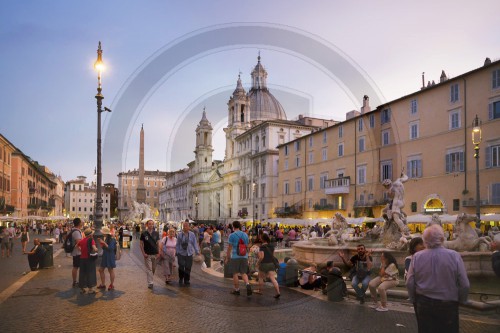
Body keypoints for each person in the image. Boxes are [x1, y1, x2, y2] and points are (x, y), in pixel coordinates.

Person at [406, 224, 470, 333]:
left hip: (424, 302)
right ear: (442, 239)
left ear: (425, 241)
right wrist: (462, 300)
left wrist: (413, 299)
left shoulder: (417, 257)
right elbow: (464, 284)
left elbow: (409, 282)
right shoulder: (454, 256)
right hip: (448, 304)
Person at [226, 220, 252, 296]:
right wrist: (247, 257)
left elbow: (229, 248)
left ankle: (237, 290)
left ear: (233, 227)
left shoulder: (232, 235)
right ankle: (247, 284)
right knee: (243, 273)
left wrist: (228, 257)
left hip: (235, 256)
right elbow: (247, 247)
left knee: (235, 273)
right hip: (244, 256)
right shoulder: (245, 235)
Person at [254, 233, 280, 298]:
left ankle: (260, 291)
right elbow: (273, 256)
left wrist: (257, 263)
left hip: (263, 264)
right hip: (271, 264)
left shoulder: (261, 247)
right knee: (273, 279)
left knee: (260, 278)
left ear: (262, 239)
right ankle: (278, 292)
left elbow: (261, 257)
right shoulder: (272, 246)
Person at [176, 220, 200, 286]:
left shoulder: (192, 234)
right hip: (181, 253)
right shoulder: (180, 234)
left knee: (188, 267)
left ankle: (186, 280)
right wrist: (177, 252)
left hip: (189, 253)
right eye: (184, 226)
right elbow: (177, 244)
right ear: (183, 227)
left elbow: (194, 243)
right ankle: (181, 278)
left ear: (189, 227)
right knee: (181, 267)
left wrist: (197, 251)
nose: (185, 227)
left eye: (186, 226)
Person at [140, 219, 160, 289]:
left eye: (152, 224)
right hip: (147, 254)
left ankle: (150, 278)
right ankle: (150, 282)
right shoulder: (143, 234)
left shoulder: (156, 233)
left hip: (155, 254)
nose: (151, 225)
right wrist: (143, 253)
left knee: (153, 268)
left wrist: (158, 252)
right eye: (149, 224)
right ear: (147, 225)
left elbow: (158, 243)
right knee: (149, 269)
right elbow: (141, 244)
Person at [77, 228, 98, 294]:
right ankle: (90, 289)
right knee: (90, 273)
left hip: (82, 259)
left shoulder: (82, 240)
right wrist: (97, 249)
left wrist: (81, 250)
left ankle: (82, 288)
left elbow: (76, 246)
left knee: (82, 273)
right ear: (90, 234)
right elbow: (95, 249)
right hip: (89, 259)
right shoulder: (91, 240)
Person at [69, 218, 83, 287]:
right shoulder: (76, 232)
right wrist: (82, 250)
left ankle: (75, 281)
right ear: (79, 223)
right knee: (76, 267)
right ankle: (75, 281)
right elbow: (79, 243)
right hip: (77, 253)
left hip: (76, 252)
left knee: (76, 267)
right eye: (81, 222)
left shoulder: (74, 230)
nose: (82, 223)